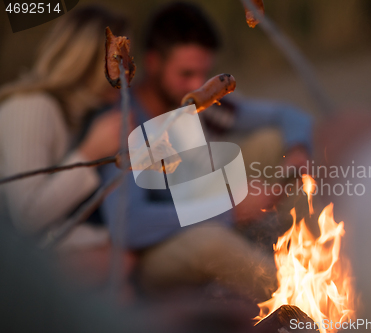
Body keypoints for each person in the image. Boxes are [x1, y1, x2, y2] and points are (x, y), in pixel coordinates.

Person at [99, 2, 313, 302]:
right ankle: (307, 300)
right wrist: (229, 209)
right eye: (186, 73)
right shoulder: (126, 123)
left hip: (202, 205)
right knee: (213, 243)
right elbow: (130, 224)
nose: (198, 84)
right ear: (153, 62)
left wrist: (298, 149)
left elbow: (289, 116)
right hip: (151, 251)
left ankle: (321, 251)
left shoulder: (200, 105)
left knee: (271, 142)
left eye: (204, 73)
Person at [0, 7, 127, 247]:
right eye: (121, 59)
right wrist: (90, 153)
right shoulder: (32, 108)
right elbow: (26, 218)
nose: (128, 70)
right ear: (90, 62)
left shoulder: (77, 114)